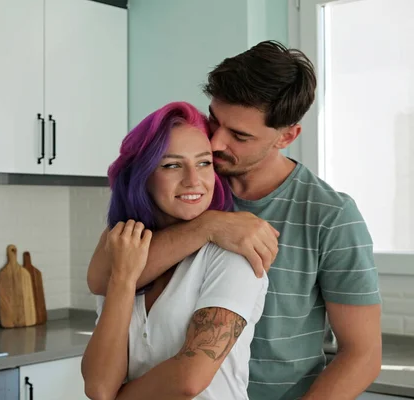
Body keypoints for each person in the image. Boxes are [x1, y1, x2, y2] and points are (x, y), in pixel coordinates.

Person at [87, 41, 382, 400]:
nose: (214, 141)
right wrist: (208, 226)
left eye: (239, 135)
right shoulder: (187, 190)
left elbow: (362, 355)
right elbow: (105, 276)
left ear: (287, 136)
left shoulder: (329, 216)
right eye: (214, 120)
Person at [81, 101, 269, 400]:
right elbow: (99, 387)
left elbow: (189, 381)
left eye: (204, 162)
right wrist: (124, 279)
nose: (194, 180)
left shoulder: (233, 253)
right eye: (172, 165)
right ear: (142, 176)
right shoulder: (125, 251)